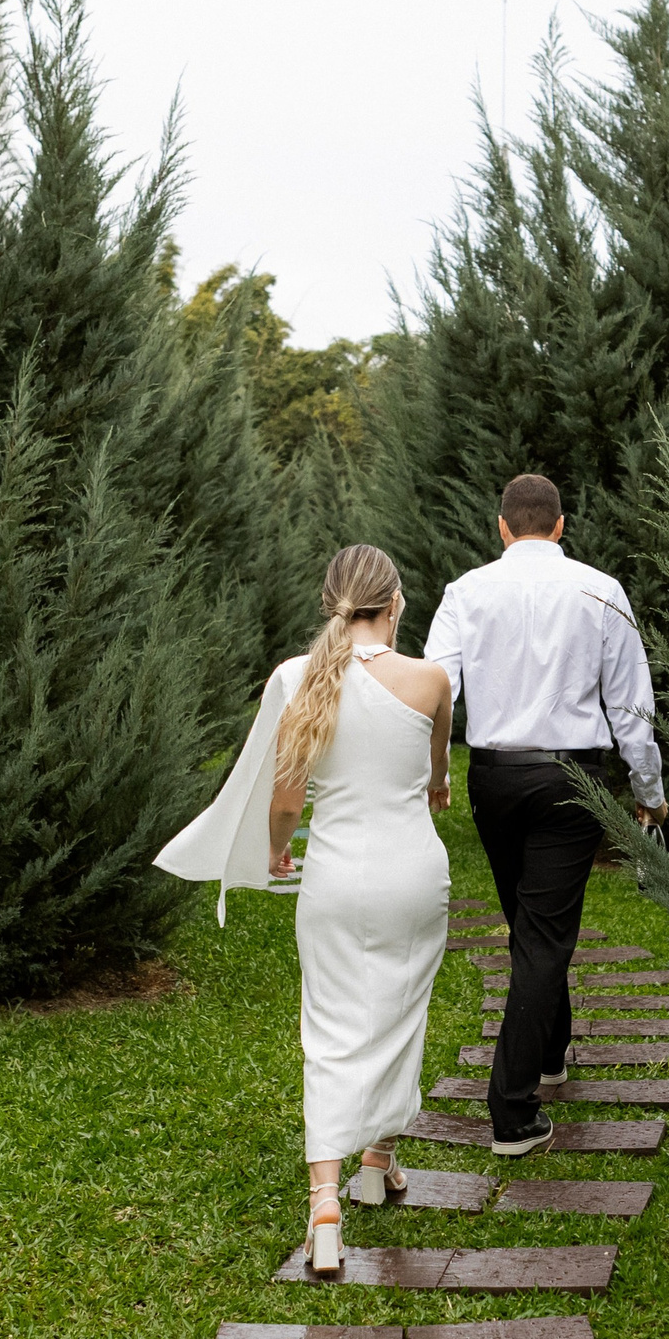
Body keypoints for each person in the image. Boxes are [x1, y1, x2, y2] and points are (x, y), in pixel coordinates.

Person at [154, 545, 453, 1275]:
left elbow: (286, 802)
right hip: (414, 872)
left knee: (328, 1027)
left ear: (329, 602)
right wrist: (434, 786)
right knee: (400, 1010)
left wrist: (278, 851)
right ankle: (379, 1156)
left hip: (336, 876)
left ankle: (327, 1201)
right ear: (398, 602)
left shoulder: (294, 678)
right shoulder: (433, 678)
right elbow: (437, 777)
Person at [423, 473, 668, 1157]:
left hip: (494, 778)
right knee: (542, 933)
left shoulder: (464, 593)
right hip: (572, 779)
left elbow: (436, 690)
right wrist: (649, 791)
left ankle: (552, 1047)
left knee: (532, 926)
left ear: (503, 528)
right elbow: (631, 707)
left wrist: (432, 770)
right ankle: (512, 1109)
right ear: (559, 526)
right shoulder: (601, 590)